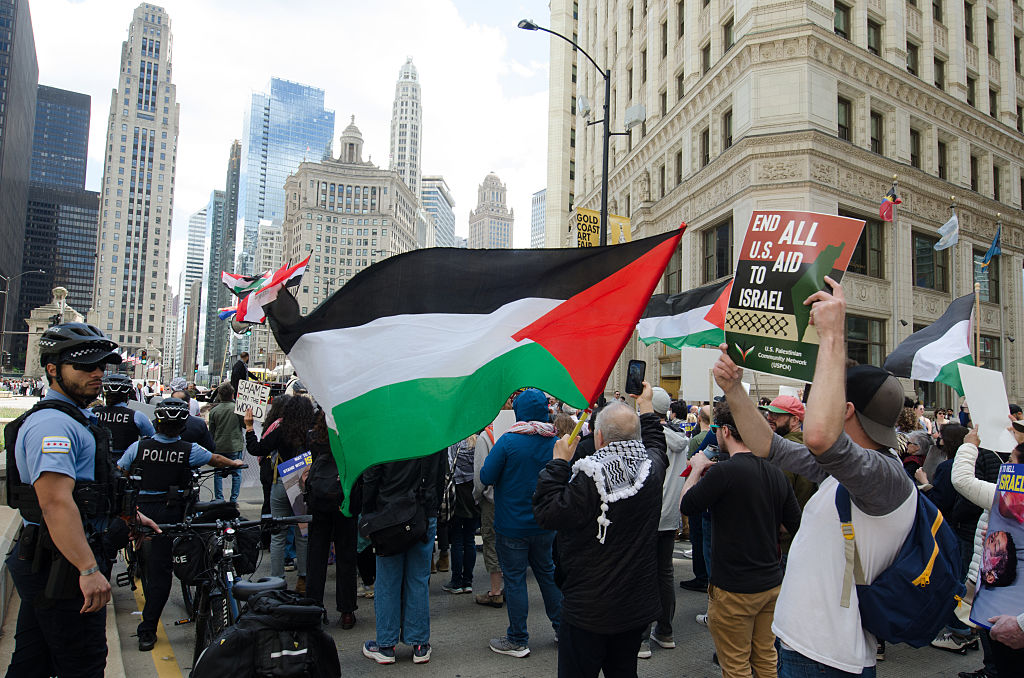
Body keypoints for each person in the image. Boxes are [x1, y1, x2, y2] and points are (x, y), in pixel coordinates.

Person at [712, 276, 916, 676]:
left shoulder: (883, 475)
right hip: (805, 648)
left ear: (846, 409)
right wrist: (735, 390)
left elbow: (820, 437)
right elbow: (768, 446)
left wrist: (832, 336)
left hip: (827, 660)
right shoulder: (849, 469)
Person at [5, 323, 157, 676]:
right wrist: (88, 569)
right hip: (63, 564)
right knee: (83, 664)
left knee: (31, 663)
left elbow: (89, 488)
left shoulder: (77, 417)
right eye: (85, 366)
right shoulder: (53, 426)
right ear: (52, 369)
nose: (97, 373)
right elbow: (55, 503)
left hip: (58, 557)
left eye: (101, 365)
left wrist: (129, 515)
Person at [533, 383, 667, 678]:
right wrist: (645, 406)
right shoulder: (652, 468)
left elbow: (547, 512)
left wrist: (558, 463)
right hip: (634, 605)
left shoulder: (590, 478)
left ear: (600, 437)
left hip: (588, 608)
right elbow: (657, 443)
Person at [680, 400, 801, 678]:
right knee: (766, 659)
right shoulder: (774, 472)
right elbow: (793, 524)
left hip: (733, 586)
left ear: (725, 431)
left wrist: (697, 468)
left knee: (735, 665)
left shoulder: (723, 472)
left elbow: (686, 505)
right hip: (770, 582)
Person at [117, 397, 243, 651]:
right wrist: (235, 463)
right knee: (167, 570)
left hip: (140, 512)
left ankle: (147, 630)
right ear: (183, 426)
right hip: (172, 513)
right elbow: (216, 459)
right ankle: (150, 628)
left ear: (157, 424)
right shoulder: (189, 450)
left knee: (146, 566)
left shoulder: (139, 447)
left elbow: (121, 471)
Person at [480, 388, 564, 658]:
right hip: (545, 523)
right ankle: (563, 629)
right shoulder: (555, 442)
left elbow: (486, 475)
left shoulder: (508, 441)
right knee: (547, 575)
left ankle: (518, 639)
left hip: (511, 524)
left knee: (515, 580)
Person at [361, 449, 446, 665]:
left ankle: (386, 645)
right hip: (424, 510)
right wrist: (433, 505)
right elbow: (440, 472)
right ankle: (419, 644)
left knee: (387, 580)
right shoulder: (433, 430)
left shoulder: (385, 431)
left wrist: (367, 513)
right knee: (418, 579)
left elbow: (372, 474)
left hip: (388, 512)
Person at [244, 395, 315, 589]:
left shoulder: (282, 429)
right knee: (303, 532)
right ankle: (303, 578)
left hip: (282, 482)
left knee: (278, 534)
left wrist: (249, 428)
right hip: (303, 483)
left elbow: (257, 449)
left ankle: (277, 580)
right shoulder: (312, 432)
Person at [638, 387, 688, 658]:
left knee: (643, 574)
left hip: (648, 514)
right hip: (669, 515)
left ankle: (642, 638)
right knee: (664, 573)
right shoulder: (681, 438)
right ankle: (665, 631)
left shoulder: (646, 436)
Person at [305, 409, 359, 629]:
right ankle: (346, 611)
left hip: (319, 501)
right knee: (346, 557)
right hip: (344, 499)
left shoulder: (314, 439)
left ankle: (314, 607)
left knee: (316, 556)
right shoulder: (350, 436)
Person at [442, 435, 481, 595]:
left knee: (457, 539)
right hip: (473, 493)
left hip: (457, 493)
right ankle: (468, 581)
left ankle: (456, 581)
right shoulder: (478, 441)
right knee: (470, 539)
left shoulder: (453, 442)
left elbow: (449, 465)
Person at [680, 404, 713, 591]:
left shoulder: (702, 438)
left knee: (701, 538)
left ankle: (702, 578)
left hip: (701, 495)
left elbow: (693, 463)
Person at [473, 416, 504, 608]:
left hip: (492, 500)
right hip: (514, 500)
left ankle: (495, 591)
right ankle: (511, 587)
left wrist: (477, 495)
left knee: (491, 543)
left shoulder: (485, 437)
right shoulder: (516, 433)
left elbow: (480, 475)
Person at [93, 373, 155, 460]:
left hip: (95, 461)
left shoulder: (92, 413)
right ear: (128, 394)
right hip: (126, 463)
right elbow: (153, 440)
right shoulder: (137, 416)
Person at [207, 382, 245, 503]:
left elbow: (211, 432)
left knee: (218, 474)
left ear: (219, 395)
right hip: (235, 445)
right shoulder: (237, 409)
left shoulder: (214, 411)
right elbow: (245, 424)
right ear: (232, 395)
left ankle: (219, 499)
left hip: (219, 446)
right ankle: (233, 499)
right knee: (236, 473)